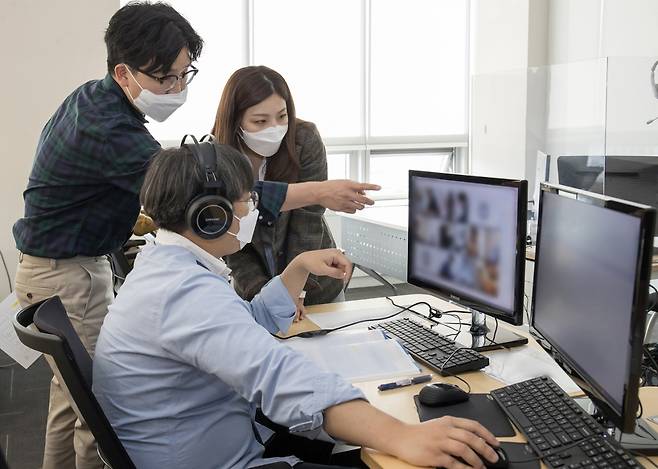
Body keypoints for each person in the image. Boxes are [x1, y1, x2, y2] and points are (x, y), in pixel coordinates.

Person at [12, 3, 377, 468]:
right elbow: (275, 376)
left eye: (186, 75)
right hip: (69, 275)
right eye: (166, 78)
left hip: (65, 269)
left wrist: (298, 266)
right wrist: (318, 191)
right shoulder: (111, 132)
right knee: (91, 415)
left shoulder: (96, 100)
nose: (177, 88)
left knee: (75, 403)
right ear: (123, 73)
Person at [92, 142, 501, 469]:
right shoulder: (183, 292)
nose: (253, 209)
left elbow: (239, 328)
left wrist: (297, 269)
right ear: (210, 217)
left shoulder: (165, 265)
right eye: (247, 200)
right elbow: (279, 378)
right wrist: (402, 436)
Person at [212, 66, 346, 319]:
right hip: (255, 287)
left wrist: (297, 290)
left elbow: (308, 218)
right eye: (260, 121)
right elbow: (233, 243)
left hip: (316, 285)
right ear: (235, 120)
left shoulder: (304, 140)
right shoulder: (218, 159)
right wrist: (270, 295)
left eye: (282, 116)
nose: (274, 127)